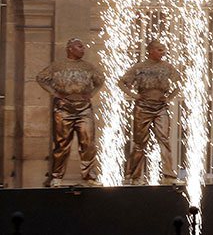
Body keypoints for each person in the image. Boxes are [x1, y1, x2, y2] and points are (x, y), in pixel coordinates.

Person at [36, 38, 104, 187]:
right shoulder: (58, 66)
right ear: (70, 49)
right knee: (61, 144)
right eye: (79, 46)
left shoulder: (88, 67)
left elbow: (100, 80)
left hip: (84, 108)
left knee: (88, 143)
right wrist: (54, 93)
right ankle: (56, 177)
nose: (83, 49)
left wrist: (92, 93)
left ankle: (89, 177)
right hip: (63, 108)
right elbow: (41, 78)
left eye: (83, 46)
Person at [119, 40, 183, 185]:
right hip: (143, 107)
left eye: (163, 50)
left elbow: (180, 83)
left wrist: (169, 97)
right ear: (151, 51)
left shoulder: (167, 67)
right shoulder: (139, 67)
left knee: (164, 139)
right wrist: (135, 96)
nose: (163, 53)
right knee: (140, 143)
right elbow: (122, 83)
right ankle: (134, 176)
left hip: (160, 107)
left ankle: (169, 175)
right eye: (160, 50)